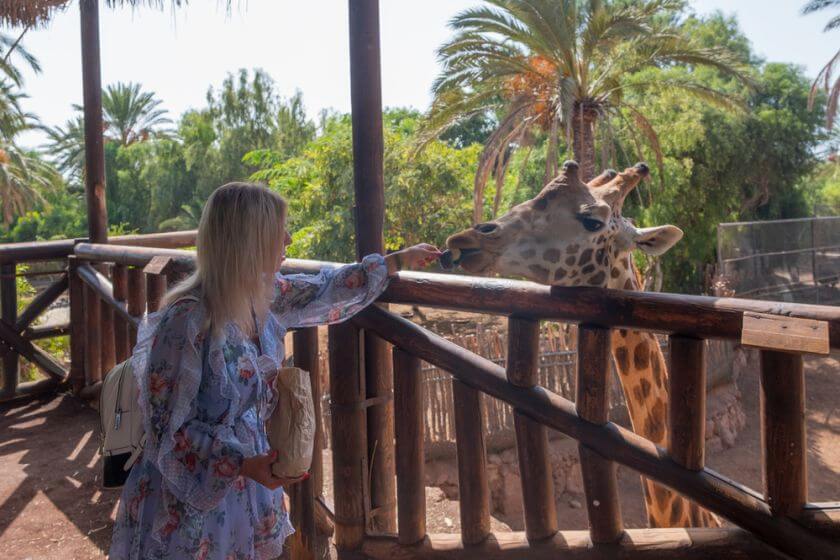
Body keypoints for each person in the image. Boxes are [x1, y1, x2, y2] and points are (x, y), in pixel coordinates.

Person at [109, 182, 440, 560]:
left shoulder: (261, 299)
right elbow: (167, 430)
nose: (288, 238)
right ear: (247, 242)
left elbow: (326, 289)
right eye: (276, 231)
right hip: (189, 500)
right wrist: (241, 464)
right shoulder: (186, 321)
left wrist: (394, 261)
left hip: (245, 483)